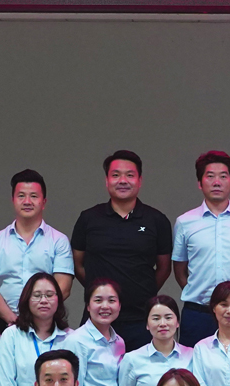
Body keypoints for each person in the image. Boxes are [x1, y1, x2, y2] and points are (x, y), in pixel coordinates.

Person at [71, 150, 173, 353]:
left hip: (141, 319)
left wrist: (142, 291)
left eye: (130, 175)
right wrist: (98, 290)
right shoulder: (89, 218)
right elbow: (78, 264)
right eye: (116, 175)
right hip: (98, 318)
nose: (123, 181)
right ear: (106, 180)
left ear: (140, 180)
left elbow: (164, 268)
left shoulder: (156, 220)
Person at [172, 150, 230, 346]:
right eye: (210, 176)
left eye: (223, 176)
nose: (217, 182)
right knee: (192, 364)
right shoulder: (185, 222)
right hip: (197, 314)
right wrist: (199, 293)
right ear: (200, 183)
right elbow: (179, 270)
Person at [0, 169, 75, 326]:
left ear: (44, 202)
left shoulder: (59, 241)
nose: (27, 201)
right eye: (21, 196)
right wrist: (12, 319)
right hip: (6, 323)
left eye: (34, 196)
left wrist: (39, 316)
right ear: (13, 200)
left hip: (46, 323)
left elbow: (63, 287)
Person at [0, 272, 69, 386]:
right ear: (26, 299)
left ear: (58, 300)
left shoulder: (70, 338)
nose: (43, 300)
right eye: (37, 295)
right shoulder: (12, 335)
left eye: (49, 295)